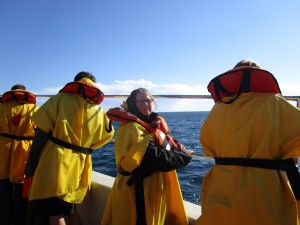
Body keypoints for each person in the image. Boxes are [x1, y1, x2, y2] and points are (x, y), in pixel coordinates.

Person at [196, 59, 300, 225]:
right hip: (266, 188)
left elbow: (207, 147)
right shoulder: (275, 102)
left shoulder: (219, 107)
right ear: (258, 74)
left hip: (222, 184)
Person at [24, 72, 115, 225]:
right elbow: (105, 138)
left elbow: (40, 136)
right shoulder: (98, 111)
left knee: (55, 214)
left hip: (56, 165)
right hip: (80, 166)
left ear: (76, 83)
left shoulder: (59, 100)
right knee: (71, 210)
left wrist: (30, 168)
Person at [101, 88, 193, 225]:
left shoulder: (151, 124)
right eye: (143, 101)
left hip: (152, 188)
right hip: (138, 191)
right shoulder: (131, 128)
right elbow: (156, 158)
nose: (148, 104)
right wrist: (184, 156)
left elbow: (166, 141)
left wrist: (177, 146)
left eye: (150, 100)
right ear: (133, 103)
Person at [0, 84, 39, 225]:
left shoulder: (1, 107)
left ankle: (4, 219)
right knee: (21, 190)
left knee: (3, 188)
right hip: (24, 152)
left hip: (3, 151)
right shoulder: (35, 109)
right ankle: (18, 220)